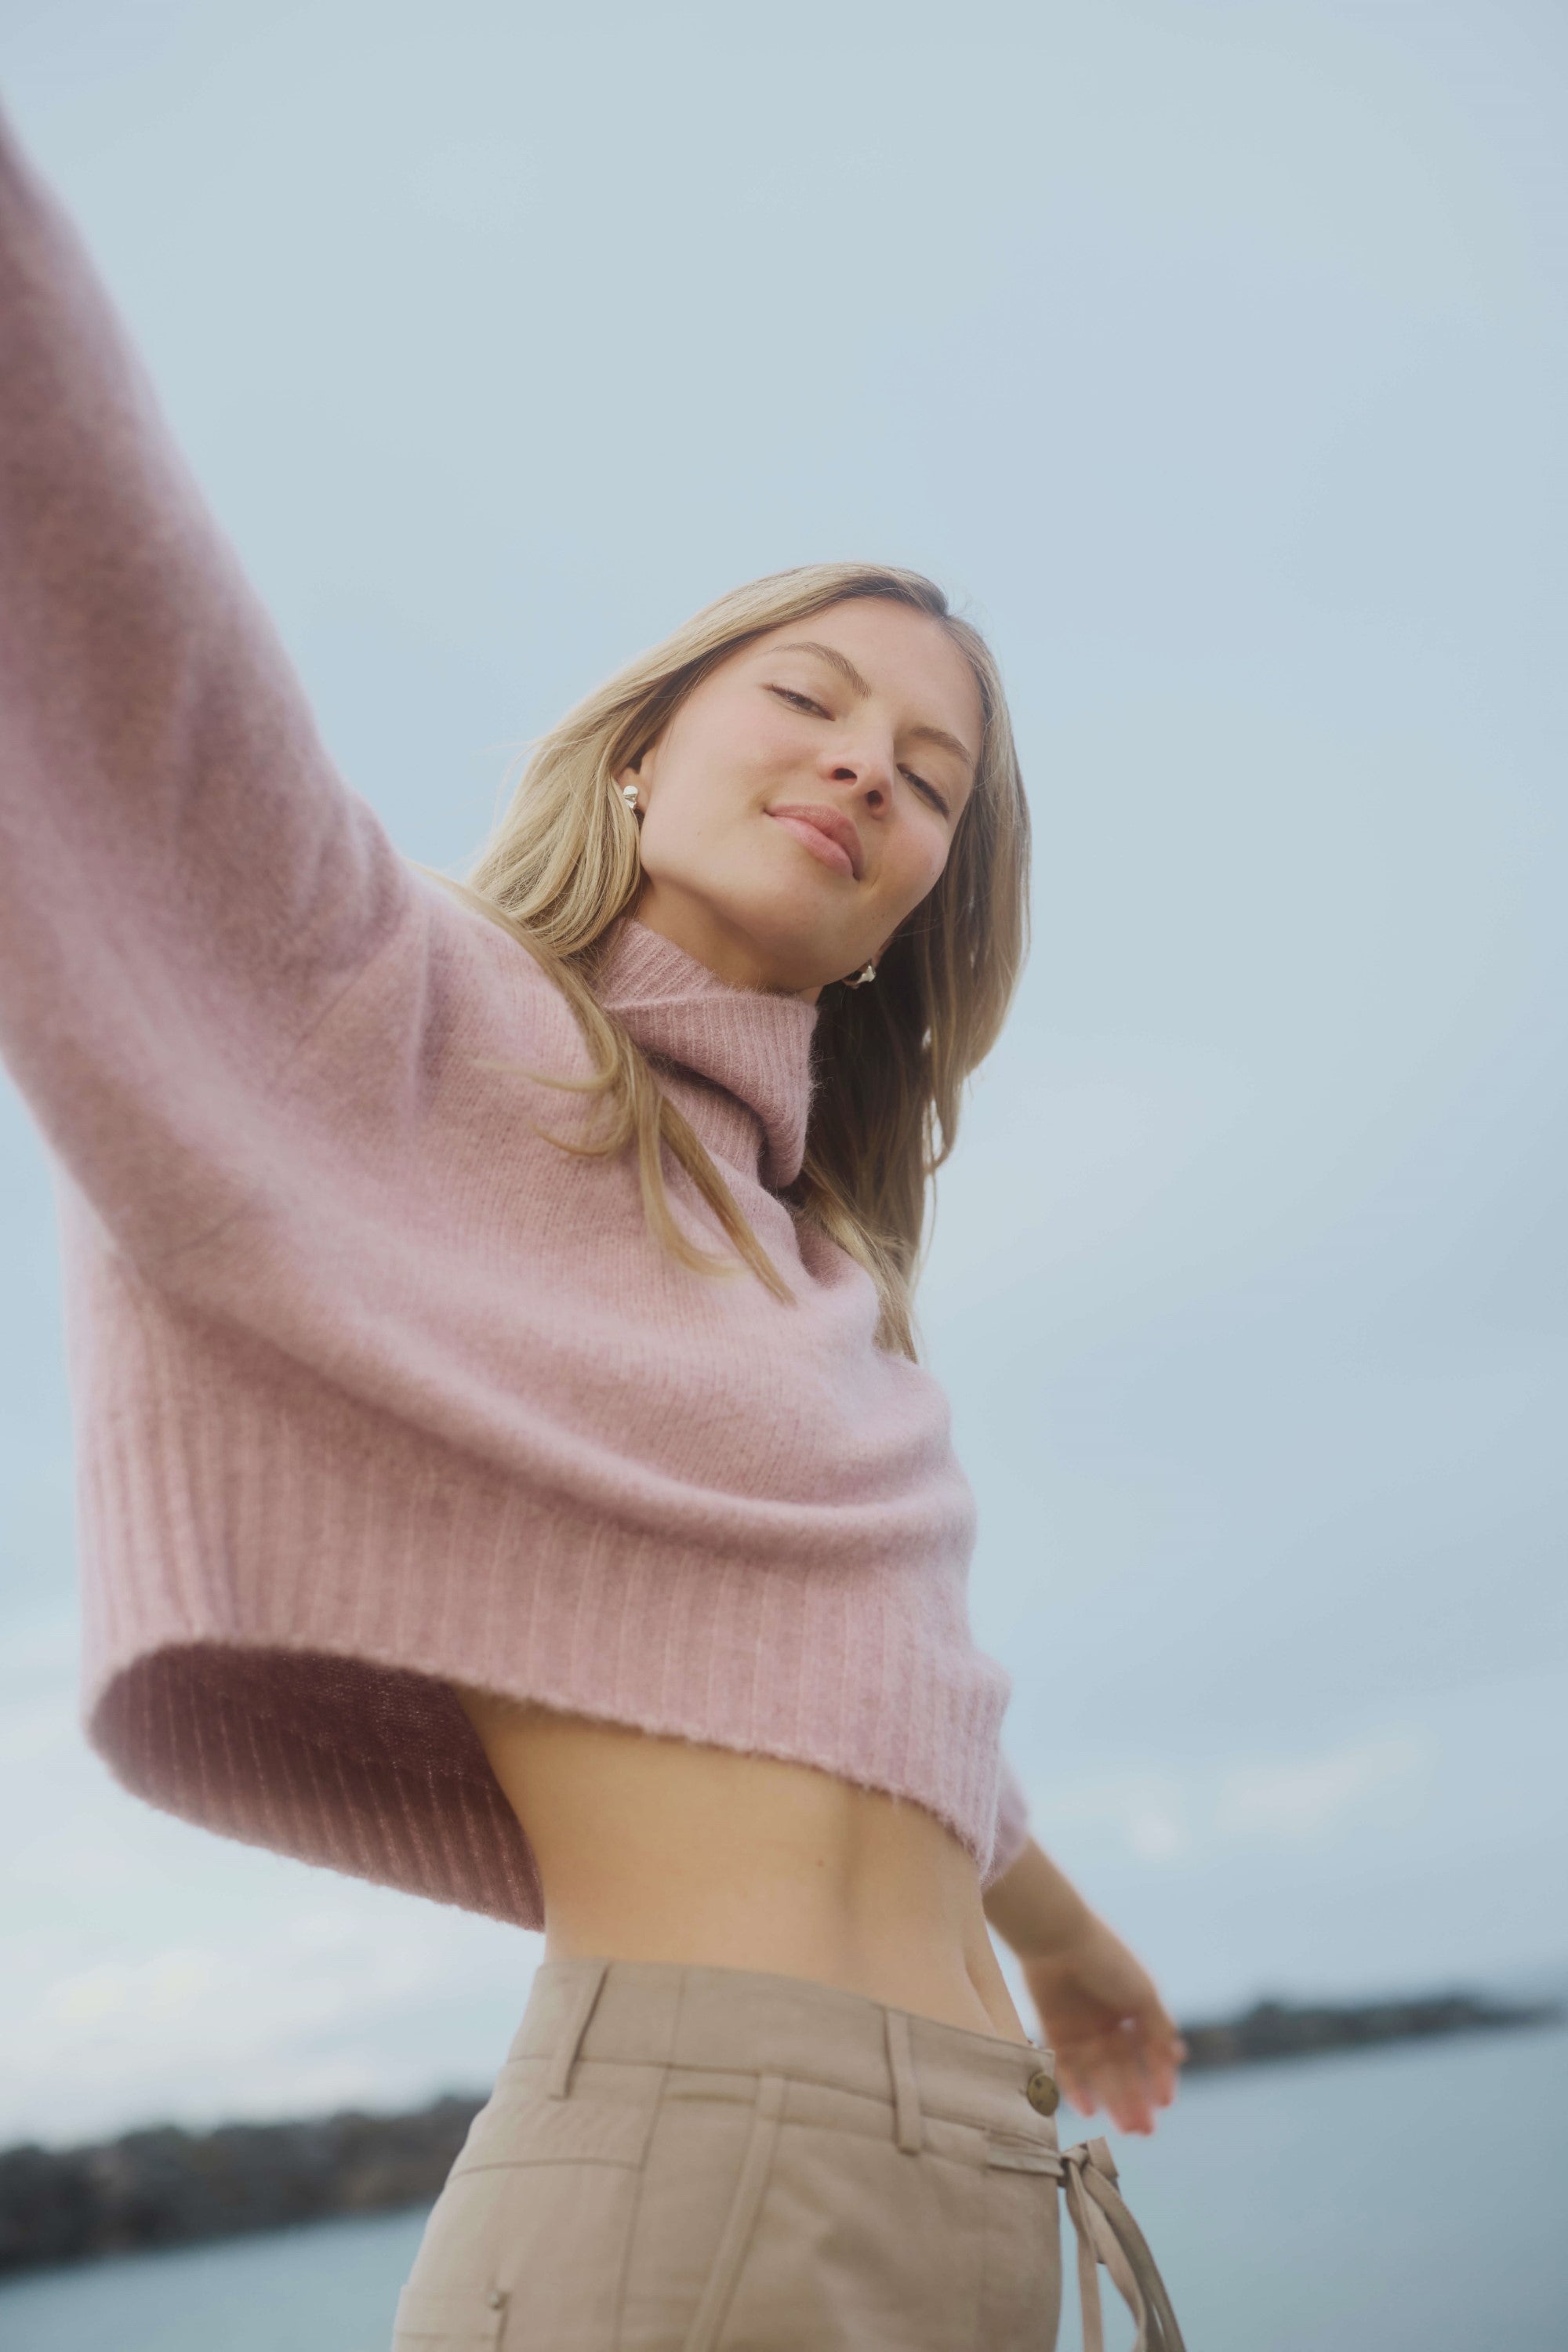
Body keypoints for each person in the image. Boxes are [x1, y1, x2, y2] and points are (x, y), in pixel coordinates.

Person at [0, 100, 1186, 2352]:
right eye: (808, 700)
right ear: (640, 752)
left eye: (929, 778)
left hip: (987, 2181)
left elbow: (877, 1690)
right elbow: (123, 653)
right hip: (700, 2171)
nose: (867, 764)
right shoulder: (400, 1016)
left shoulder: (817, 1278)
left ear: (914, 916)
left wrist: (1064, 1938)